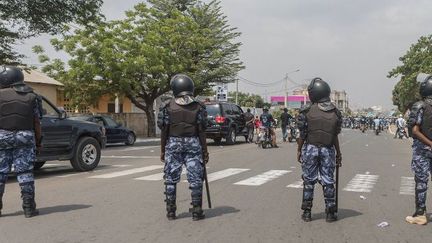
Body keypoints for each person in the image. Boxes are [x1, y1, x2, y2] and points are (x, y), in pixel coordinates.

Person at [157, 74, 208, 221]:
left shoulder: (167, 106)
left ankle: (171, 211)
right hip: (193, 144)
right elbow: (201, 131)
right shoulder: (199, 107)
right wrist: (205, 151)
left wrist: (162, 150)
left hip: (173, 144)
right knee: (196, 179)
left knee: (170, 179)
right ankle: (197, 211)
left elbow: (164, 131)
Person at [296, 77, 342, 222]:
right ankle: (330, 212)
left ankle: (307, 212)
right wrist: (338, 153)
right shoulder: (335, 112)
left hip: (310, 149)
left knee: (309, 180)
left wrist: (299, 150)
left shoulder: (306, 111)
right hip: (328, 150)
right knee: (328, 181)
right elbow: (335, 136)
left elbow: (302, 135)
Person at [0, 66, 42, 218]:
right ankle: (29, 208)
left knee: (0, 172)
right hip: (25, 137)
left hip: (2, 137)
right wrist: (38, 142)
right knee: (25, 172)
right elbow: (37, 122)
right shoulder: (32, 96)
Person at [405, 73, 432, 225]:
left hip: (423, 149)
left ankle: (420, 214)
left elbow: (415, 131)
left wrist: (429, 143)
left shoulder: (420, 106)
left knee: (421, 181)